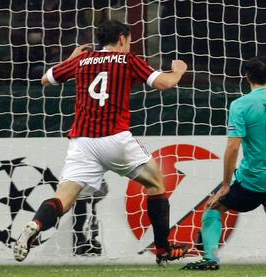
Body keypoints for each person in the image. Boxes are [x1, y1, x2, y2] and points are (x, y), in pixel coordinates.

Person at [13, 19, 188, 265]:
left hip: (82, 142)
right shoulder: (127, 60)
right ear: (122, 39)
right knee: (157, 183)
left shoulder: (81, 60)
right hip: (115, 139)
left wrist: (70, 58)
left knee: (63, 199)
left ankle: (36, 224)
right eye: (129, 41)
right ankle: (162, 251)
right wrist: (179, 69)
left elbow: (45, 79)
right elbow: (166, 83)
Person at [182, 56, 266, 270]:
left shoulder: (240, 105)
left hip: (253, 180)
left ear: (247, 77)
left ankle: (211, 259)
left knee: (213, 210)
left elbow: (233, 147)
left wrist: (225, 185)